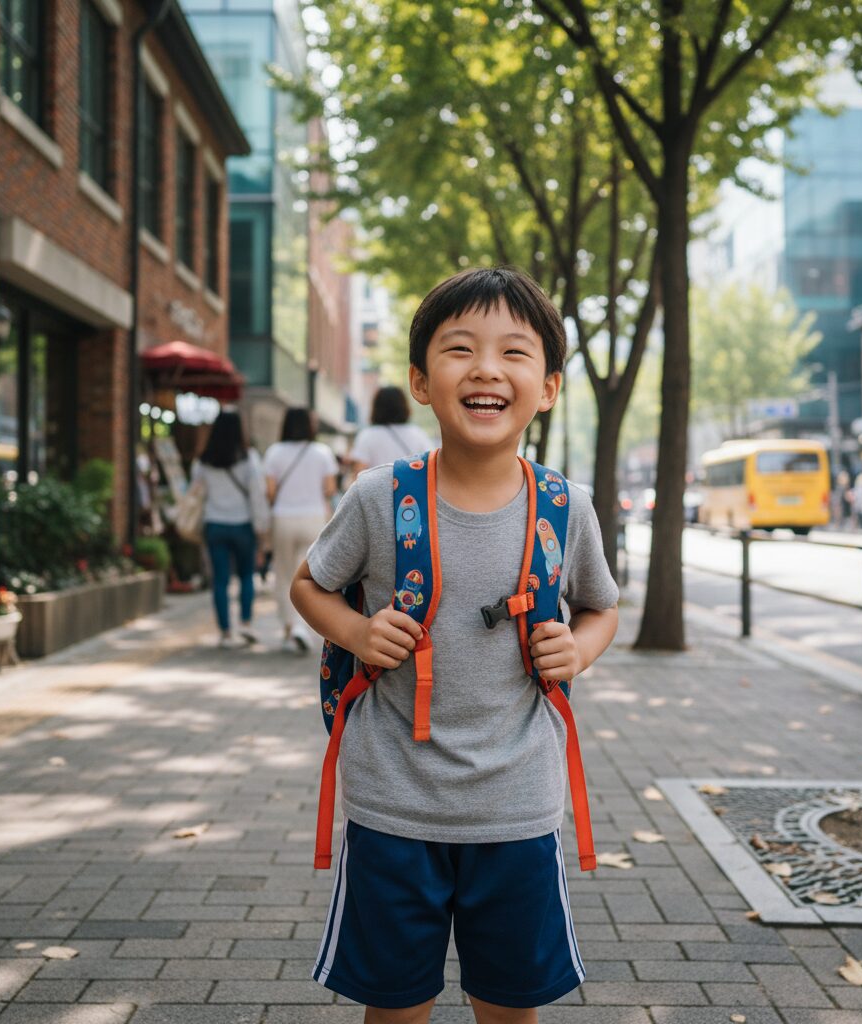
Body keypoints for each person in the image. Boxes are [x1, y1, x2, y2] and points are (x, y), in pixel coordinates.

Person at [290, 267, 620, 1023]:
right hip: (393, 807)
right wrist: (356, 630)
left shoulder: (565, 509)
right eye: (460, 349)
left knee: (509, 1006)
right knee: (396, 1007)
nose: (486, 369)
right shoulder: (379, 498)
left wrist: (582, 648)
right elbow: (308, 585)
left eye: (515, 352)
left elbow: (602, 607)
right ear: (420, 381)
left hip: (519, 811)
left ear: (548, 388)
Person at [262, 408, 339, 653]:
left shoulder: (274, 452)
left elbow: (270, 492)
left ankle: (289, 628)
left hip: (283, 518)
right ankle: (302, 626)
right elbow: (329, 489)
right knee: (307, 575)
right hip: (314, 518)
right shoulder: (322, 453)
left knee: (284, 574)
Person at [192, 410, 268, 649]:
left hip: (214, 524)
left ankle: (225, 632)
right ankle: (245, 624)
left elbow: (196, 492)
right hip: (242, 525)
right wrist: (261, 527)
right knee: (247, 575)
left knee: (220, 580)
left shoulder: (203, 460)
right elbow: (257, 494)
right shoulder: (248, 457)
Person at [347, 384, 434, 480]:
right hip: (410, 493)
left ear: (376, 407)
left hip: (376, 492)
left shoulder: (367, 436)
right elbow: (430, 467)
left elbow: (359, 475)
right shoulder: (418, 434)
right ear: (404, 406)